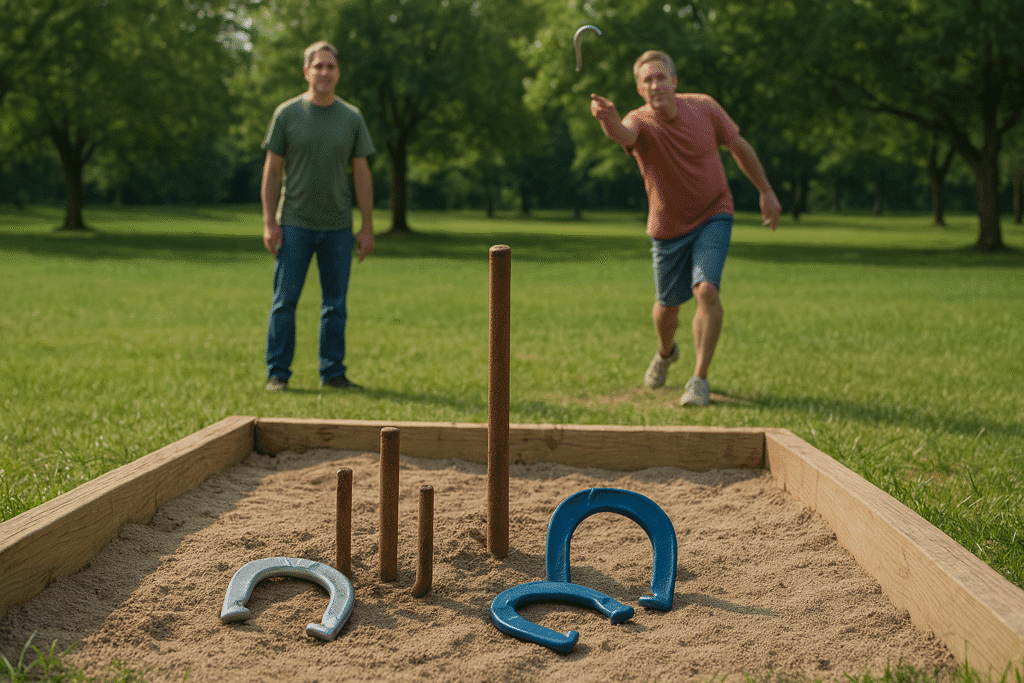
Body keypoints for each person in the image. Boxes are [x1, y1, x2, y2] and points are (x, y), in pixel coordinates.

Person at [590, 50, 781, 407]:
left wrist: (766, 191)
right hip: (667, 227)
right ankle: (665, 353)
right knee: (667, 308)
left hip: (714, 212)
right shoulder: (639, 121)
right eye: (647, 80)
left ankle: (699, 379)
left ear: (674, 81)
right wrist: (607, 118)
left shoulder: (705, 108)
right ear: (639, 88)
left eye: (661, 77)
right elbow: (622, 133)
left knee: (706, 290)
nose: (656, 84)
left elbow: (738, 145)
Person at [261, 40, 377, 392]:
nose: (324, 72)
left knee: (335, 305)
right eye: (318, 66)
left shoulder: (351, 117)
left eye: (331, 67)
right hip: (294, 224)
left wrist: (367, 227)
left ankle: (333, 372)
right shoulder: (287, 114)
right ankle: (278, 374)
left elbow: (361, 173)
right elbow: (272, 169)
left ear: (338, 73)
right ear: (306, 71)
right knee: (284, 302)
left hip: (338, 228)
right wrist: (269, 221)